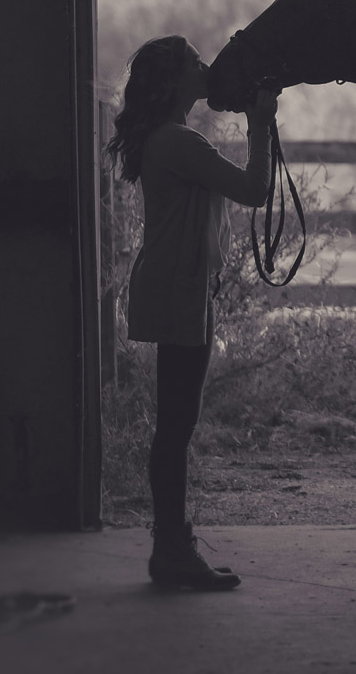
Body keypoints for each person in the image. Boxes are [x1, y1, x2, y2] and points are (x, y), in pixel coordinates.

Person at [105, 35, 277, 591]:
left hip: (177, 285)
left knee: (175, 424)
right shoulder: (180, 142)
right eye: (196, 63)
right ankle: (173, 551)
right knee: (177, 426)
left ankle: (171, 548)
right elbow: (254, 189)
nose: (206, 67)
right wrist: (261, 122)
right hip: (180, 289)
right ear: (178, 81)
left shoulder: (166, 139)